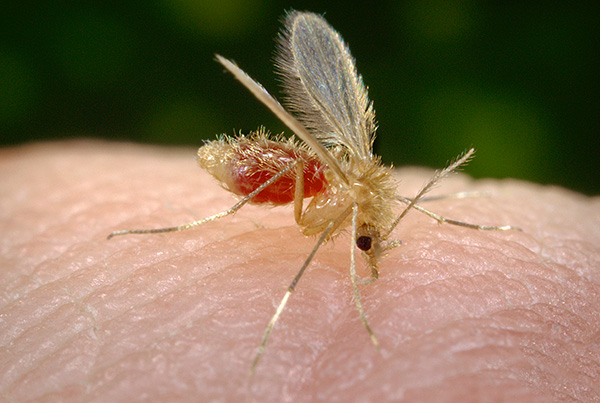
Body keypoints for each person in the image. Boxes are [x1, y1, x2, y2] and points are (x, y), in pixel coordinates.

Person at [2, 140, 598, 401]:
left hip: (312, 174)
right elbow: (322, 232)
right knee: (311, 233)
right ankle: (193, 227)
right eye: (368, 238)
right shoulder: (345, 205)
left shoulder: (364, 201)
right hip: (265, 170)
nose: (366, 240)